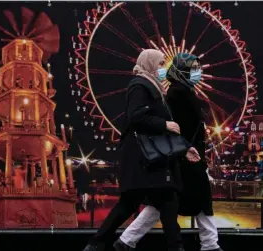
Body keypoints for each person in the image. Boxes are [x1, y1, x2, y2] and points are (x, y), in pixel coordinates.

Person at [83, 49, 200, 251]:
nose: (164, 67)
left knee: (165, 204)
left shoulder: (155, 88)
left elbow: (159, 131)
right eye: (161, 63)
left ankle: (101, 244)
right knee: (133, 203)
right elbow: (136, 117)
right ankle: (98, 244)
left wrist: (184, 149)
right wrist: (165, 124)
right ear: (149, 63)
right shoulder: (139, 85)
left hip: (153, 161)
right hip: (143, 161)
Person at [114, 53, 223, 251]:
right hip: (184, 156)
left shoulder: (180, 92)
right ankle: (210, 244)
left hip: (184, 155)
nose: (198, 72)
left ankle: (126, 241)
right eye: (194, 68)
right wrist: (185, 149)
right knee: (189, 199)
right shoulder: (177, 94)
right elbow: (174, 126)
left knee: (164, 202)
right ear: (182, 70)